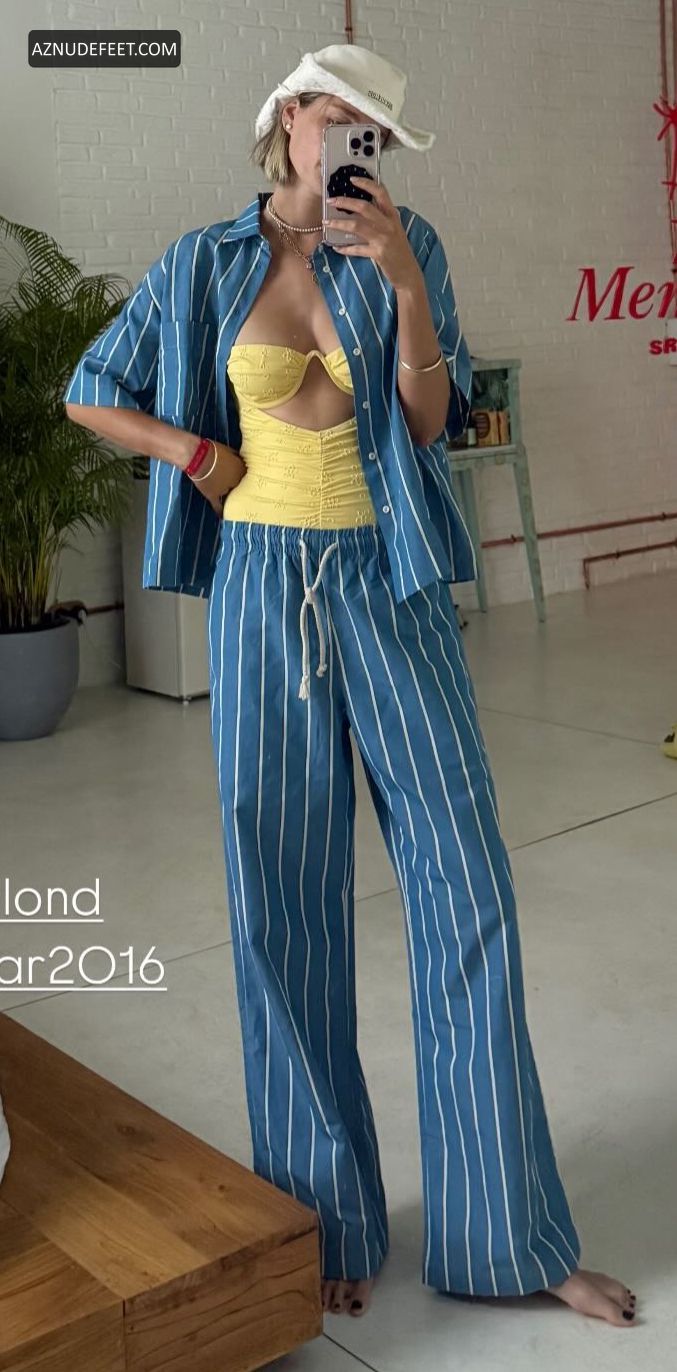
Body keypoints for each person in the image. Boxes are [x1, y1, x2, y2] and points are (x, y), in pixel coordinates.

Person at [63, 42, 637, 1331]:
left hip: (393, 584)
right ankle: (321, 1223)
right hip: (263, 593)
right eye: (340, 114)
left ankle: (509, 1234)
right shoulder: (203, 262)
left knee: (467, 884)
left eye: (377, 124)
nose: (355, 138)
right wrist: (194, 451)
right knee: (283, 904)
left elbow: (431, 423)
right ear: (288, 119)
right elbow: (90, 390)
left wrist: (406, 286)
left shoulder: (405, 244)